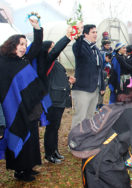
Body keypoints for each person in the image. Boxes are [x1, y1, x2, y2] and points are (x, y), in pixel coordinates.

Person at [82, 75, 132, 187]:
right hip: (102, 162)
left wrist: (126, 157)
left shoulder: (127, 105)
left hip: (95, 156)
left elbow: (117, 133)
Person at [0, 18, 45, 182]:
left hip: (30, 108)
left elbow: (38, 46)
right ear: (12, 44)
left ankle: (29, 167)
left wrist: (37, 29)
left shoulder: (23, 60)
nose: (24, 47)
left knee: (31, 138)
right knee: (18, 136)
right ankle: (19, 171)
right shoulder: (3, 62)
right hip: (13, 109)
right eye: (21, 44)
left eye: (25, 44)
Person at [42, 31, 76, 164]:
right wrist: (68, 36)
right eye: (51, 47)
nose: (54, 49)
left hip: (60, 98)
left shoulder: (55, 63)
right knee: (51, 128)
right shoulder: (46, 61)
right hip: (53, 99)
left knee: (55, 127)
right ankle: (49, 154)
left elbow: (56, 77)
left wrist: (68, 79)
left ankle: (55, 150)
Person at [71, 24, 105, 128]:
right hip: (82, 89)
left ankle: (85, 140)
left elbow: (100, 70)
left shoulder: (95, 49)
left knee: (89, 117)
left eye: (96, 32)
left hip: (94, 88)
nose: (95, 34)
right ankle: (74, 141)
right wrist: (79, 34)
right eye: (93, 32)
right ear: (85, 34)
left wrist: (102, 86)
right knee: (80, 117)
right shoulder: (80, 46)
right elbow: (77, 46)